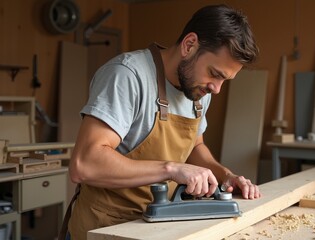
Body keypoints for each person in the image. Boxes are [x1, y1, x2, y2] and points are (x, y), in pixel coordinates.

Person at [62, 4, 261, 240]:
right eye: (215, 74)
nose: (216, 89)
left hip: (158, 225)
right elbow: (85, 164)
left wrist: (225, 175)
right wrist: (171, 169)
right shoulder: (127, 76)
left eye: (225, 80)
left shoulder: (198, 92)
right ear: (189, 45)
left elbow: (194, 147)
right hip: (106, 228)